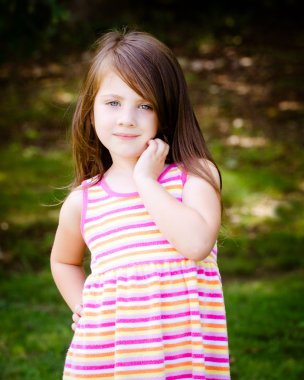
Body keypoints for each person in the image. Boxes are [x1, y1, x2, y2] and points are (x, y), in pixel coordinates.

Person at [50, 28, 230, 380]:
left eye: (144, 105)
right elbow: (62, 260)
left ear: (166, 112)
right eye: (113, 102)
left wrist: (146, 181)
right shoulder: (83, 201)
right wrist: (82, 306)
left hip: (184, 357)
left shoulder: (195, 176)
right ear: (91, 111)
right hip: (111, 360)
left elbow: (195, 244)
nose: (127, 118)